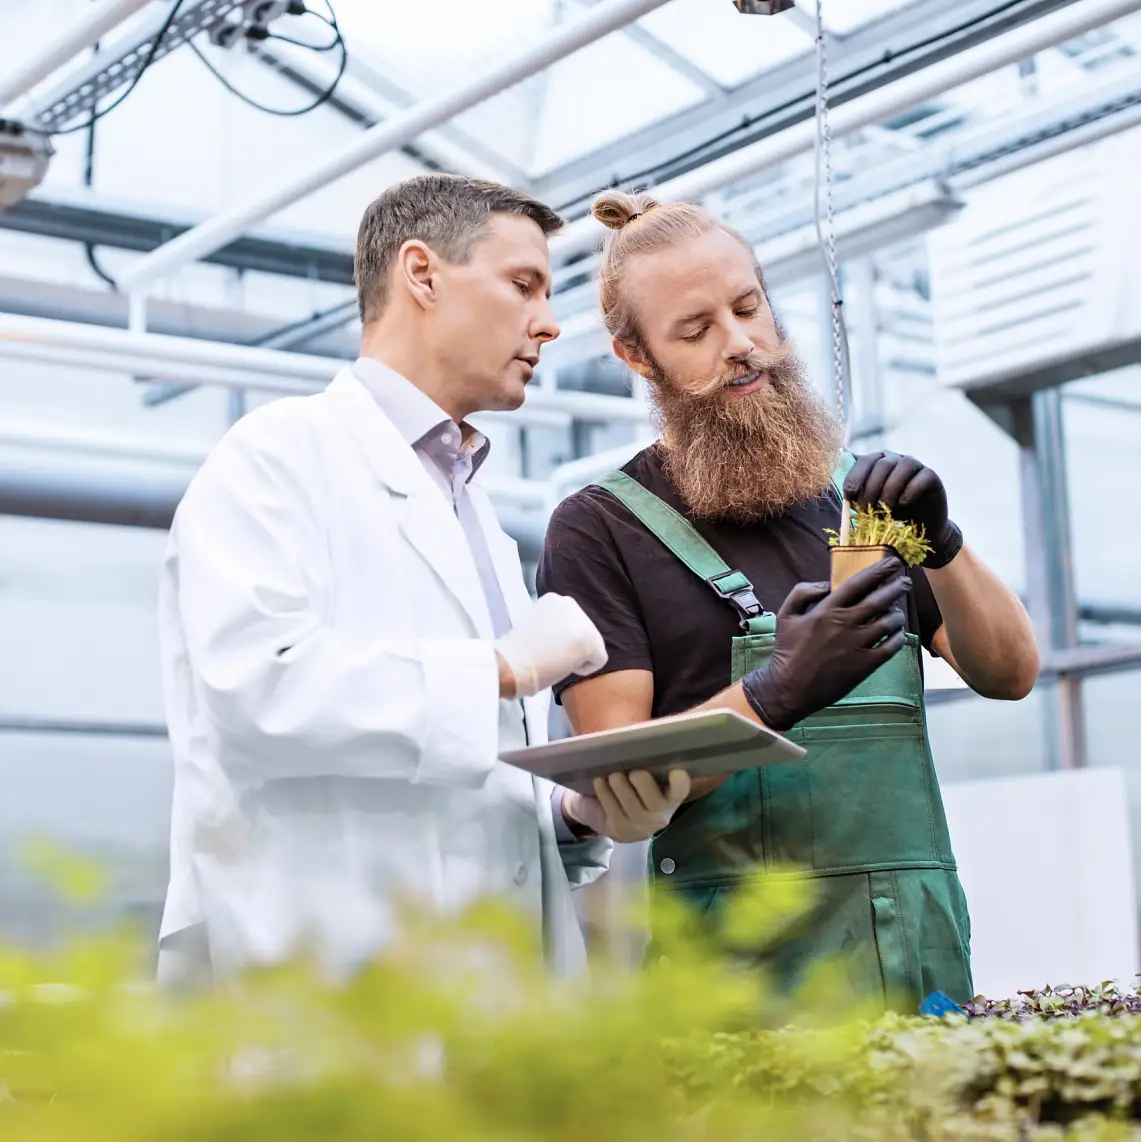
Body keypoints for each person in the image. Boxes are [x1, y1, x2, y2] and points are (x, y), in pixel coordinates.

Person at [155, 175, 691, 988]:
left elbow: (470, 787)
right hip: (323, 987)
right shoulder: (276, 455)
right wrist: (503, 670)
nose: (548, 323)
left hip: (485, 997)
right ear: (421, 272)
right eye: (523, 285)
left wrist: (576, 819)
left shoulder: (467, 506)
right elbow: (255, 693)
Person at [537, 190, 1041, 1009]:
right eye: (694, 331)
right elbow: (619, 777)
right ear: (637, 358)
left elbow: (1010, 672)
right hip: (733, 972)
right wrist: (772, 696)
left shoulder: (862, 505)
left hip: (910, 949)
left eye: (748, 307)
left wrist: (940, 546)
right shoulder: (601, 529)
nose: (740, 345)